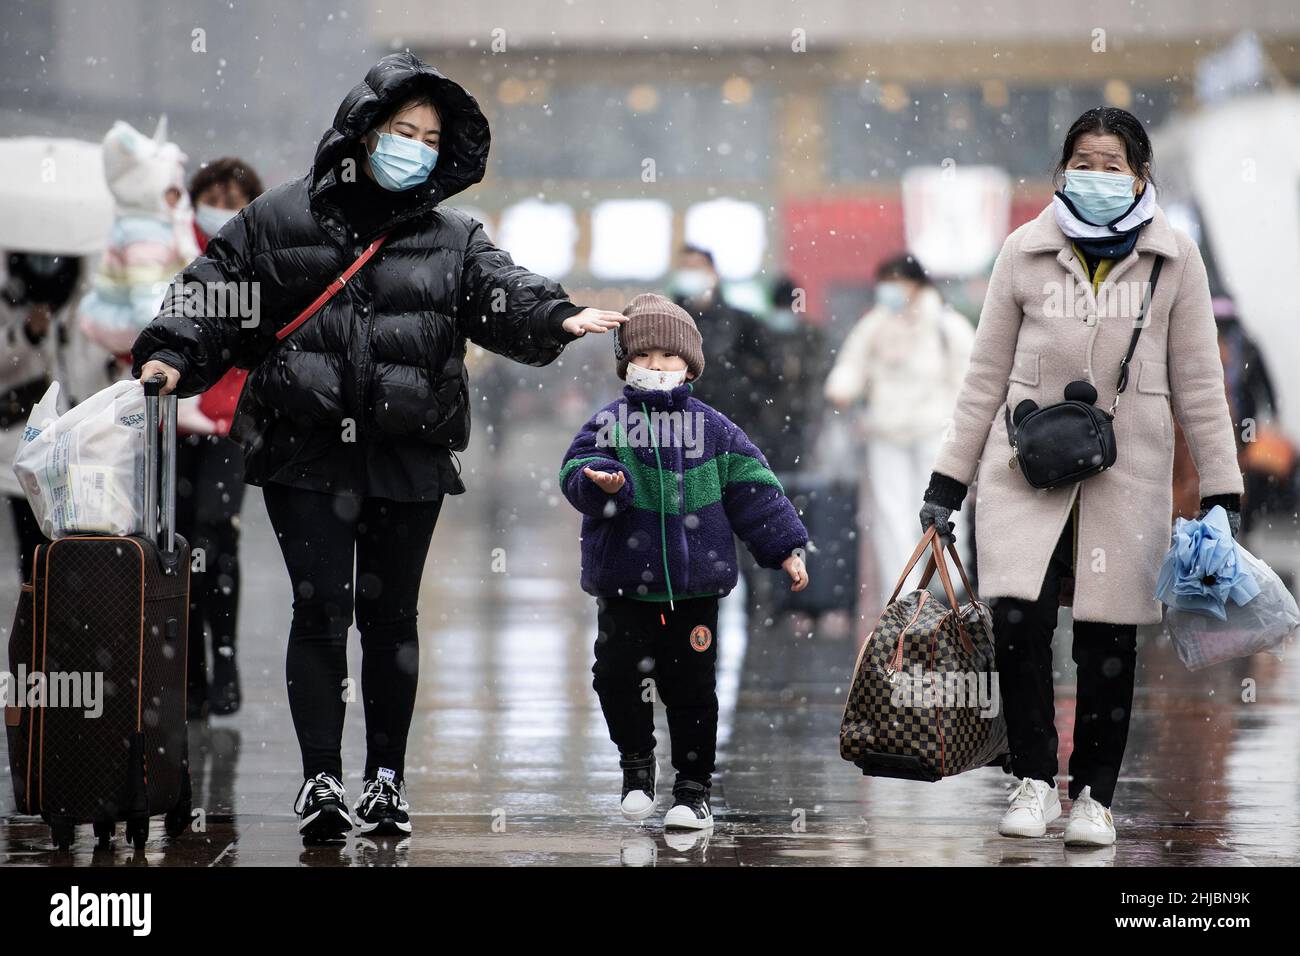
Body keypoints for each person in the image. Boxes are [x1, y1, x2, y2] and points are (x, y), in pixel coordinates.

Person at [131, 52, 627, 845]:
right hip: (305, 452)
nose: (416, 148)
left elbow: (502, 291)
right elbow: (210, 292)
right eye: (402, 130)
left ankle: (387, 780)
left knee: (392, 619)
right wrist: (169, 353)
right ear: (362, 132)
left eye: (430, 138)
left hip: (407, 453)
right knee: (320, 611)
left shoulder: (455, 237)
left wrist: (556, 315)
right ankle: (322, 778)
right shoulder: (277, 219)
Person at [918, 107, 1243, 847]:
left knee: (1107, 640)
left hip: (1126, 479)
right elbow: (982, 377)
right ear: (1062, 170)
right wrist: (947, 482)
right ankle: (1032, 780)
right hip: (1021, 474)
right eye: (1084, 163)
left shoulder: (1174, 259)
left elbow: (1199, 383)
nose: (1097, 177)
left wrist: (1222, 493)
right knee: (1018, 626)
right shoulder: (1022, 252)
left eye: (1113, 165)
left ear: (1141, 175)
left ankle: (1094, 796)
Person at [558, 293, 809, 830]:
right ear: (626, 363)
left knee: (692, 690)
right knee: (615, 677)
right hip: (624, 588)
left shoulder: (714, 428)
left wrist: (784, 547)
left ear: (690, 364)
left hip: (694, 591)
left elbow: (754, 489)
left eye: (667, 358)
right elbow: (576, 471)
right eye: (643, 357)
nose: (655, 367)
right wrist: (602, 485)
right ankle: (636, 764)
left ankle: (693, 792)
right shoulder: (611, 423)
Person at [825, 254, 974, 614]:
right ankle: (903, 594)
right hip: (885, 432)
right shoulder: (876, 324)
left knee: (938, 509)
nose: (890, 289)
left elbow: (970, 376)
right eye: (885, 280)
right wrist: (842, 387)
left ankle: (949, 585)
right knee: (891, 515)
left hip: (933, 432)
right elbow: (852, 363)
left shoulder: (945, 324)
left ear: (917, 283)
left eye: (897, 280)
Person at [174, 157, 267, 719]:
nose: (222, 207)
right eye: (213, 195)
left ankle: (224, 658)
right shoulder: (169, 250)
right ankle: (187, 671)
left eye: (234, 198)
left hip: (231, 422)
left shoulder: (261, 254)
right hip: (172, 421)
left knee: (216, 532)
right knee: (178, 546)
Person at [669, 245, 767, 433]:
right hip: (681, 428)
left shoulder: (741, 322)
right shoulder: (666, 322)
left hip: (733, 423)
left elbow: (767, 368)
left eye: (696, 267)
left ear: (713, 274)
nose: (691, 274)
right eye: (685, 268)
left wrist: (749, 400)